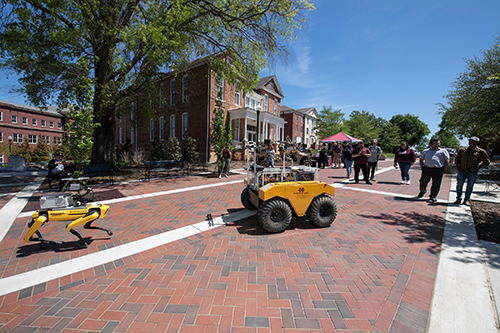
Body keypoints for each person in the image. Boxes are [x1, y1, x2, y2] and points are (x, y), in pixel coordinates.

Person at [454, 137, 490, 206]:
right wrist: (458, 168)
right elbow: (457, 159)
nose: (471, 143)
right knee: (459, 185)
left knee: (470, 186)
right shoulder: (463, 150)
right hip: (462, 170)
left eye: (473, 142)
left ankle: (466, 200)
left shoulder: (481, 151)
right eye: (470, 141)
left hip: (472, 171)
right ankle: (458, 198)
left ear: (477, 143)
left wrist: (478, 167)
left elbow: (486, 161)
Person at [418, 138, 450, 202]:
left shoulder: (443, 151)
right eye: (435, 143)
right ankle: (422, 191)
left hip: (438, 169)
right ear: (431, 144)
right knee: (423, 181)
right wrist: (422, 167)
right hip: (427, 168)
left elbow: (447, 160)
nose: (437, 144)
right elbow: (421, 159)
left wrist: (444, 168)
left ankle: (433, 196)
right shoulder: (426, 151)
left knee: (436, 184)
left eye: (438, 143)